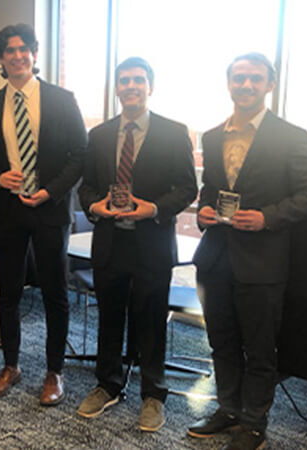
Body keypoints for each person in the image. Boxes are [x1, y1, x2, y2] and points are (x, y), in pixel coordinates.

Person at [189, 53, 307, 450]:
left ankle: (253, 423)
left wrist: (267, 217)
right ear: (228, 83)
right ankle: (228, 409)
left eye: (255, 78)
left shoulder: (291, 136)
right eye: (239, 78)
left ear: (269, 84)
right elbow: (209, 189)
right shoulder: (212, 136)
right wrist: (205, 211)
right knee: (222, 342)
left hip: (263, 261)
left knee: (260, 348)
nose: (246, 85)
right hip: (215, 258)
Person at [76, 57, 198, 429]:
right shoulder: (98, 135)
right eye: (124, 80)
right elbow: (88, 188)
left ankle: (153, 394)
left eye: (138, 80)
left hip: (152, 244)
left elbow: (188, 188)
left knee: (151, 320)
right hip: (111, 242)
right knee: (109, 317)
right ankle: (108, 385)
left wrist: (155, 208)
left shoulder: (174, 132)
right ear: (116, 88)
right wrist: (94, 206)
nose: (131, 86)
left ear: (150, 86)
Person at [0, 23, 87, 406]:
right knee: (8, 292)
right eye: (10, 50)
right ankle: (11, 365)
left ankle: (54, 371)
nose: (18, 55)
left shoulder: (61, 99)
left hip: (50, 209)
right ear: (2, 58)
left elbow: (80, 156)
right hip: (7, 210)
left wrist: (50, 191)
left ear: (34, 55)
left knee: (56, 291)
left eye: (24, 49)